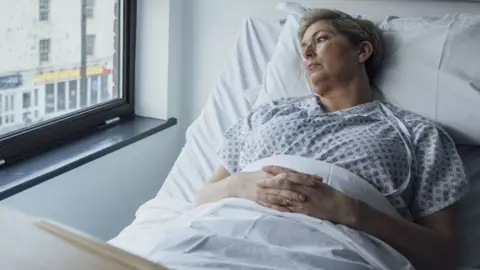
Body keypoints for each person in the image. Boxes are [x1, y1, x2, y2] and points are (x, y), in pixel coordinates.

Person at [195, 8, 468, 270]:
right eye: (303, 48)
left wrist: (353, 212)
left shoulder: (418, 134)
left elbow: (443, 257)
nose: (308, 52)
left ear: (362, 51)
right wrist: (240, 185)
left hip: (335, 252)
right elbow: (202, 199)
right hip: (224, 235)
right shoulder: (266, 114)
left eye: (321, 39)